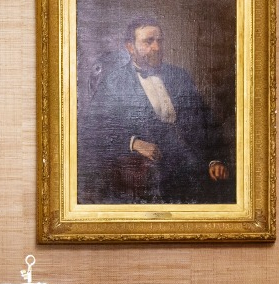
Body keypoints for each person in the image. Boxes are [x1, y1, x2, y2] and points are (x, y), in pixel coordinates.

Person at [78, 16, 233, 205]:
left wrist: (214, 160)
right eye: (148, 41)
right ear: (130, 47)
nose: (157, 48)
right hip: (153, 173)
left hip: (195, 166)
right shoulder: (114, 82)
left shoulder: (180, 76)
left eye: (159, 41)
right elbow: (90, 131)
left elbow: (206, 121)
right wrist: (133, 143)